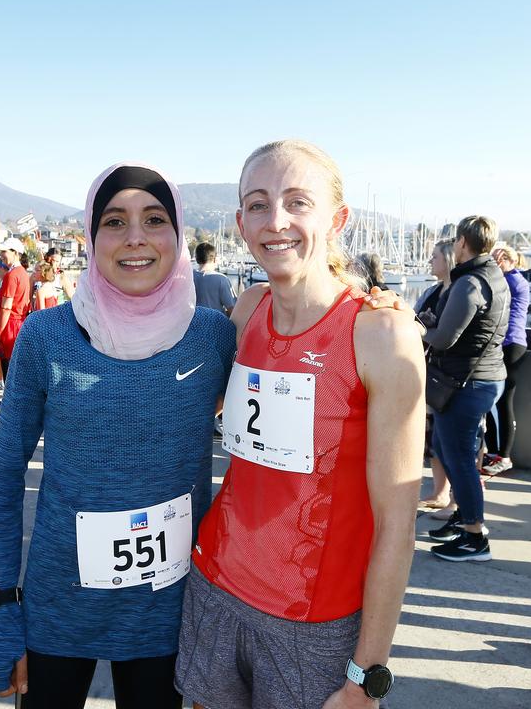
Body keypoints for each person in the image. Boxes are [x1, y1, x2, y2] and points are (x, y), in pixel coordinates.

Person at [174, 140, 424, 709]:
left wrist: (368, 676)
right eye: (258, 205)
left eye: (297, 202)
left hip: (312, 621)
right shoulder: (247, 311)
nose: (276, 221)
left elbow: (398, 528)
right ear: (240, 222)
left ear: (337, 219)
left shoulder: (381, 336)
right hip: (215, 585)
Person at [0, 162, 236, 708]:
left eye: (154, 219)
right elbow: (5, 479)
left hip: (168, 613)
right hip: (59, 608)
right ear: (92, 237)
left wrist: (359, 306)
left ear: (178, 233)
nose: (136, 238)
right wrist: (2, 604)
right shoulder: (47, 335)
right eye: (115, 221)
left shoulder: (212, 336)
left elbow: (298, 351)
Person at [423, 216, 509, 562]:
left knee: (458, 458)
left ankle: (475, 537)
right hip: (483, 378)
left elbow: (444, 338)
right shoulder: (493, 275)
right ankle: (464, 519)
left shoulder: (470, 283)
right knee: (447, 448)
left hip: (466, 383)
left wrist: (419, 331)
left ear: (461, 242)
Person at [481, 244, 530, 476]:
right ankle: (494, 452)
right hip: (504, 344)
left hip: (512, 344)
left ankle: (504, 455)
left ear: (503, 260)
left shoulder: (514, 281)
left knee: (503, 401)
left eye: (494, 259)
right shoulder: (510, 280)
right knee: (493, 400)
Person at [416, 239, 456, 513]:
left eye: (435, 257)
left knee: (455, 443)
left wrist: (423, 330)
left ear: (449, 260)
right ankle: (439, 492)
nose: (430, 261)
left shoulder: (457, 293)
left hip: (450, 379)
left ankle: (456, 501)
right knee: (435, 440)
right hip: (430, 375)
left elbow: (445, 336)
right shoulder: (434, 291)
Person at [0, 237, 30, 380]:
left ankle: (8, 401)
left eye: (4, 251)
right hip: (19, 324)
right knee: (14, 370)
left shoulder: (12, 275)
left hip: (10, 325)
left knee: (8, 369)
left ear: (15, 252)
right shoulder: (23, 273)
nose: (1, 254)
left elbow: (6, 308)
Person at [192, 241, 237, 316]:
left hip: (193, 324)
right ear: (215, 259)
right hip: (216, 325)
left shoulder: (189, 277)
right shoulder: (221, 279)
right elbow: (232, 309)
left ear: (196, 258)